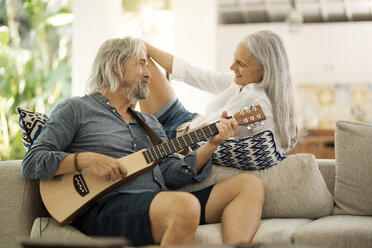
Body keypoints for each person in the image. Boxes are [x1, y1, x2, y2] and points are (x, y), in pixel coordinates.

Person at [21, 37, 265, 246]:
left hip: (158, 200)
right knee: (185, 205)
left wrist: (211, 144)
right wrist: (87, 160)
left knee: (249, 185)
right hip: (106, 207)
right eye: (141, 64)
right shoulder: (77, 109)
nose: (149, 73)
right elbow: (33, 161)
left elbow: (172, 174)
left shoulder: (149, 122)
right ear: (116, 66)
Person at [140, 30, 301, 156]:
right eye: (234, 59)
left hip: (177, 138)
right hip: (185, 119)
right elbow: (195, 74)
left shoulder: (257, 100)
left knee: (137, 63)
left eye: (241, 64)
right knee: (139, 54)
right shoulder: (242, 82)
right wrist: (147, 46)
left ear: (265, 71)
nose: (232, 67)